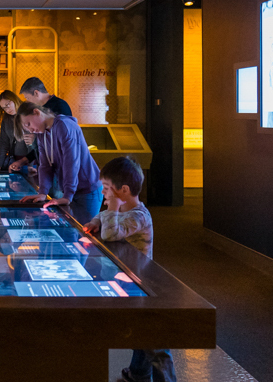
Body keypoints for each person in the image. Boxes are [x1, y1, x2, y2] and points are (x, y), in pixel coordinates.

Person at [84, 157, 175, 382]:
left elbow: (111, 234)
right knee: (140, 333)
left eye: (106, 189)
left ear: (123, 190)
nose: (103, 194)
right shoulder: (121, 209)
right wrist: (97, 220)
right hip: (127, 279)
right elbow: (102, 218)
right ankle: (138, 374)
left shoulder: (138, 216)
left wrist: (111, 209)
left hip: (142, 282)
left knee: (152, 339)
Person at [16, 102, 103, 225]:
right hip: (70, 189)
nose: (30, 130)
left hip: (87, 189)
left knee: (85, 234)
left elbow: (71, 162)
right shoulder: (41, 134)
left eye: (29, 124)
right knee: (71, 231)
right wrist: (42, 192)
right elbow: (45, 165)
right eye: (27, 129)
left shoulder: (64, 125)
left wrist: (67, 195)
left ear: (36, 112)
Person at [0, 90, 31, 172]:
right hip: (14, 161)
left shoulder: (28, 112)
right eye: (4, 108)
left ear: (14, 99)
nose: (7, 109)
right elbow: (3, 143)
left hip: (30, 160)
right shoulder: (6, 119)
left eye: (7, 105)